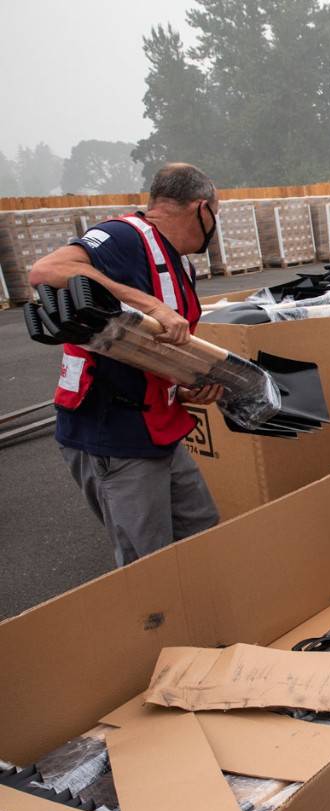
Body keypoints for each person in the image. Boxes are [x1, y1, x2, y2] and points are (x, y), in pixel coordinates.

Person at [28, 163, 224, 566]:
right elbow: (46, 271)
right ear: (201, 209)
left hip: (159, 428)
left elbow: (149, 348)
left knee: (203, 531)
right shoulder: (124, 236)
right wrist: (150, 305)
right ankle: (164, 628)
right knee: (149, 562)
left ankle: (205, 620)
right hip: (114, 437)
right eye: (215, 218)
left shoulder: (177, 262)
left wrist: (187, 387)